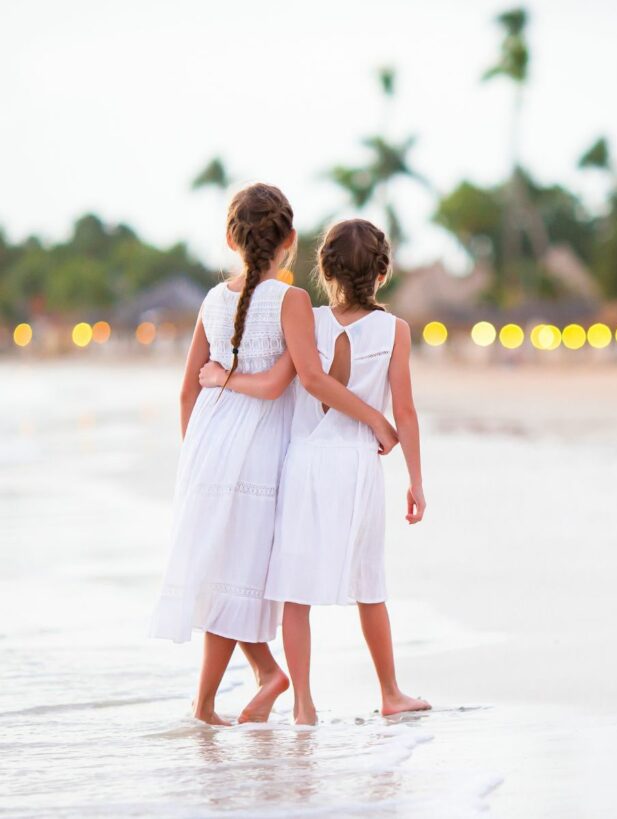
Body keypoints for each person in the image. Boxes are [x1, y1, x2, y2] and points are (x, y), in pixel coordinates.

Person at [151, 186, 398, 726]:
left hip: (210, 446)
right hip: (262, 450)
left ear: (229, 239)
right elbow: (291, 383)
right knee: (242, 571)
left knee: (223, 570)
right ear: (289, 240)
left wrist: (195, 454)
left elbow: (186, 392)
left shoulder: (212, 300)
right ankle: (235, 690)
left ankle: (239, 688)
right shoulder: (290, 301)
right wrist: (375, 418)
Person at [200, 218, 429, 725]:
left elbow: (294, 381)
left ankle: (304, 704)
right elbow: (406, 412)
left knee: (293, 591)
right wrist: (415, 480)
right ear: (383, 271)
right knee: (370, 584)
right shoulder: (395, 331)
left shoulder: (306, 318)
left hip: (303, 461)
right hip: (357, 465)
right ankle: (390, 692)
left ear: (323, 268)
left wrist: (222, 379)